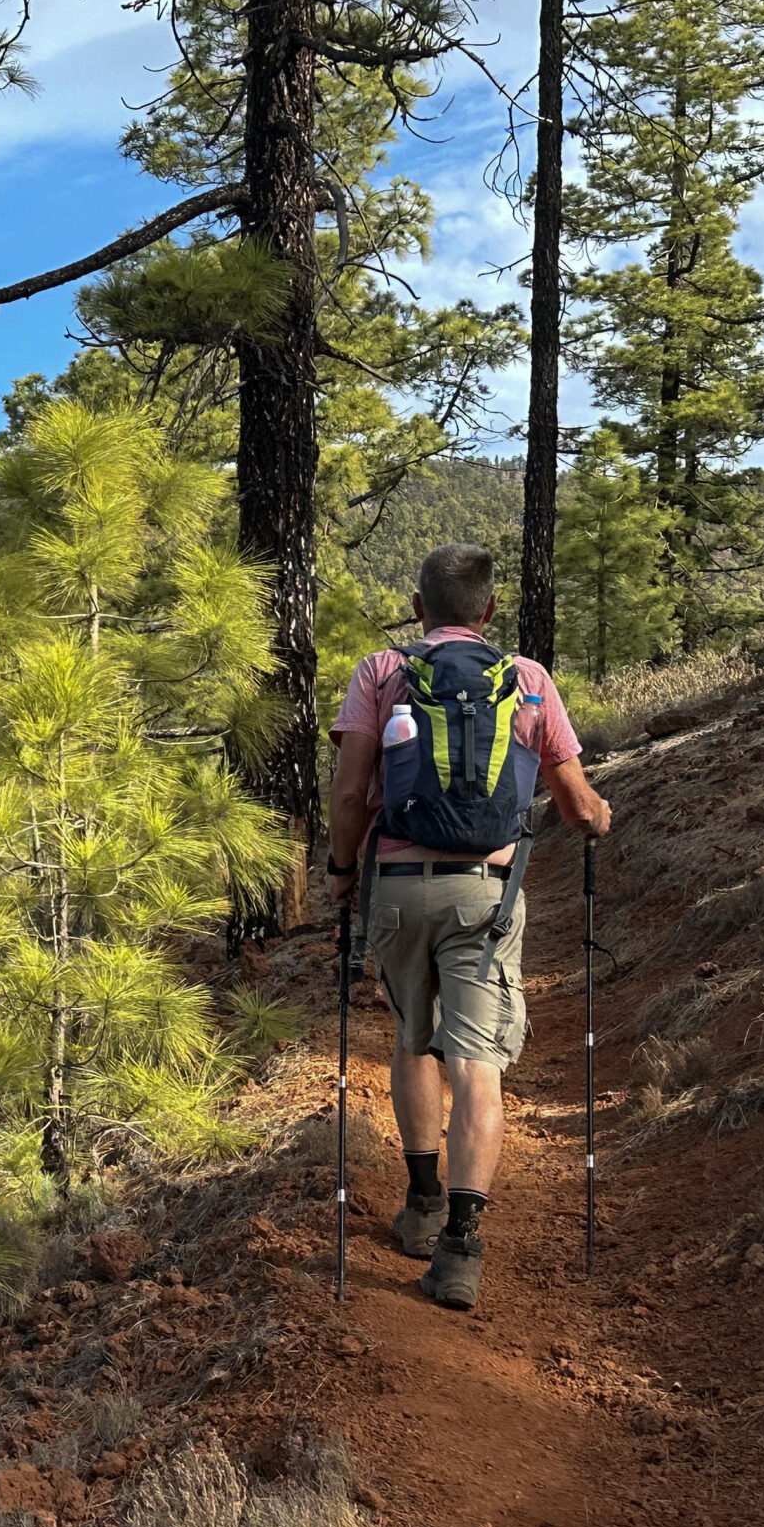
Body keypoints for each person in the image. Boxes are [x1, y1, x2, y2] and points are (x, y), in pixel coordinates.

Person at [327, 544, 613, 1311]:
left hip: (397, 888)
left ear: (417, 607)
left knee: (413, 1036)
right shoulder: (528, 680)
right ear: (488, 613)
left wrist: (338, 871)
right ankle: (459, 1249)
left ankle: (420, 1204)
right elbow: (578, 805)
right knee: (476, 1061)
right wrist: (598, 819)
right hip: (486, 895)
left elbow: (352, 793)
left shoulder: (380, 672)